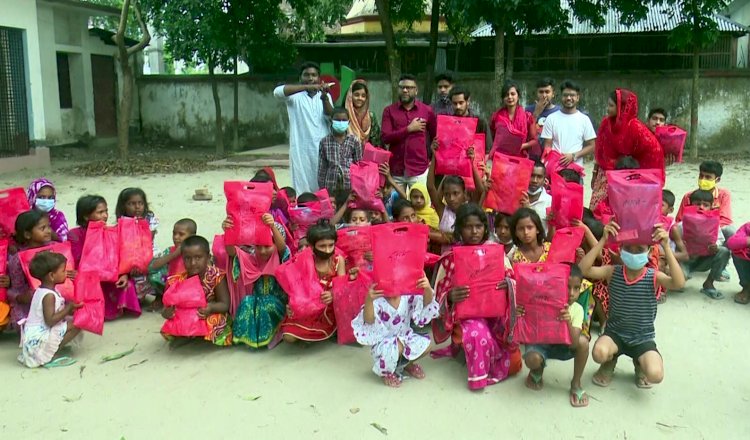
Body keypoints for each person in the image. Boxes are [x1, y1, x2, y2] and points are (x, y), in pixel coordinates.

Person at [579, 220, 685, 389]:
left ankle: (639, 363)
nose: (634, 253)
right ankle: (609, 362)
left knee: (656, 375)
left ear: (649, 252)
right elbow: (583, 270)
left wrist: (666, 246)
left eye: (639, 250)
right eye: (629, 248)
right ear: (620, 250)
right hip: (615, 334)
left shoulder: (653, 276)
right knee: (599, 354)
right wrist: (603, 241)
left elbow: (679, 283)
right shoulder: (612, 271)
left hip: (643, 338)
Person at [433, 203, 522, 390]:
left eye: (479, 226)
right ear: (459, 229)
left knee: (514, 364)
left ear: (485, 228)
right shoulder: (451, 258)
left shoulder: (497, 253)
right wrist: (450, 297)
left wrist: (507, 285)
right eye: (468, 226)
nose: (474, 231)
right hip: (467, 317)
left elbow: (514, 283)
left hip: (496, 314)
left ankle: (485, 354)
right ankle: (479, 377)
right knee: (477, 334)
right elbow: (438, 295)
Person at [521, 264, 591, 408]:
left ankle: (576, 383)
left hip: (564, 347)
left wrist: (568, 322)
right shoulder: (539, 301)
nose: (571, 293)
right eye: (566, 286)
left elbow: (573, 343)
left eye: (576, 288)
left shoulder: (576, 309)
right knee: (532, 359)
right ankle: (537, 370)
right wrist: (519, 313)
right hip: (540, 345)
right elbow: (524, 331)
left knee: (583, 343)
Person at [351, 275, 439, 387]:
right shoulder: (378, 301)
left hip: (405, 338)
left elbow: (426, 303)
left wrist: (427, 288)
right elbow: (369, 321)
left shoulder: (407, 296)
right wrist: (369, 299)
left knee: (426, 345)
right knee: (396, 348)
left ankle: (406, 364)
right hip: (384, 344)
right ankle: (386, 373)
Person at [68, 195, 141, 321]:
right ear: (86, 216)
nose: (105, 215)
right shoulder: (75, 234)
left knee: (126, 284)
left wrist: (123, 274)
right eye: (100, 212)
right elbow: (76, 259)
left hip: (110, 275)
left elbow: (121, 256)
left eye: (106, 211)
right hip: (87, 276)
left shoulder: (111, 231)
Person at [591, 89, 664, 209]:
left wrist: (635, 170)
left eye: (611, 105)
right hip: (604, 175)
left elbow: (654, 150)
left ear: (621, 107)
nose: (607, 109)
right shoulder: (606, 123)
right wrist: (595, 173)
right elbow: (600, 151)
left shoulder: (635, 127)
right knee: (598, 211)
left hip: (626, 178)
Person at [273, 61, 334, 193]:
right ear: (300, 77)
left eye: (313, 75)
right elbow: (277, 92)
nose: (310, 78)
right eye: (306, 75)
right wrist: (305, 87)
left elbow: (331, 116)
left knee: (322, 187)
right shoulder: (294, 96)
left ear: (319, 78)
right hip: (301, 150)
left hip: (321, 148)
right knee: (302, 188)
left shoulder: (325, 95)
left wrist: (324, 98)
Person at [280, 221, 345, 343]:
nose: (327, 250)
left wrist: (332, 293)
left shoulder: (338, 260)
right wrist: (291, 305)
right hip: (306, 306)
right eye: (322, 246)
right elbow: (295, 287)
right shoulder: (302, 260)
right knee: (288, 337)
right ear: (311, 246)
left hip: (327, 308)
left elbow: (342, 286)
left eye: (331, 245)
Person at [162, 235, 233, 346]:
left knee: (215, 321)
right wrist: (167, 313)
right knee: (171, 324)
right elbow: (167, 307)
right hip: (186, 317)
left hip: (208, 314)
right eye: (188, 258)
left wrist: (210, 308)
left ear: (208, 257)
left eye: (198, 257)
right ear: (182, 259)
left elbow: (225, 304)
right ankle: (188, 335)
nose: (193, 263)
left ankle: (196, 335)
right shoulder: (177, 280)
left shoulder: (216, 276)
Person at [17, 251, 82, 368]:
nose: (66, 273)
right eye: (63, 271)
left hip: (37, 333)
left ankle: (51, 348)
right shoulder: (49, 296)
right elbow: (50, 320)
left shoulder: (42, 290)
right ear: (51, 276)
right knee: (77, 324)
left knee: (72, 319)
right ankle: (51, 352)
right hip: (39, 338)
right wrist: (69, 308)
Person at [381, 74, 437, 189]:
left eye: (409, 88)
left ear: (416, 91)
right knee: (396, 206)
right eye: (402, 87)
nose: (405, 90)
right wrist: (408, 129)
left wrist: (431, 159)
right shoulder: (389, 111)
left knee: (419, 205)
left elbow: (435, 136)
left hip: (419, 170)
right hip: (396, 170)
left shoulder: (427, 111)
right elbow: (385, 138)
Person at [676, 190, 731, 300]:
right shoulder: (680, 226)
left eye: (705, 205)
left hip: (704, 261)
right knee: (678, 285)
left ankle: (709, 283)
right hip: (684, 262)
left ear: (711, 207)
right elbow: (672, 246)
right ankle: (683, 275)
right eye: (697, 204)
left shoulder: (714, 225)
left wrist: (715, 246)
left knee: (724, 251)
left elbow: (720, 240)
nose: (701, 207)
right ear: (690, 205)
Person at [7, 211, 54, 330]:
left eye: (49, 226)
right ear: (27, 234)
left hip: (55, 299)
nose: (48, 231)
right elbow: (14, 290)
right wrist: (22, 297)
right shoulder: (18, 259)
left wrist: (72, 274)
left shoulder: (56, 249)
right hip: (29, 305)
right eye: (42, 228)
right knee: (28, 325)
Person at [115, 187, 159, 302]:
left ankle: (158, 297)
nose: (137, 207)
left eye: (140, 203)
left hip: (149, 253)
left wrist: (139, 261)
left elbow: (147, 239)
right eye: (132, 204)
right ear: (123, 206)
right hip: (129, 257)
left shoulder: (149, 218)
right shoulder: (121, 222)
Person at [540, 80, 596, 168]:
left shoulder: (584, 119)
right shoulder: (551, 118)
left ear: (578, 97)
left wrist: (573, 156)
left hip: (575, 170)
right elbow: (548, 145)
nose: (569, 98)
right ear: (561, 97)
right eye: (565, 95)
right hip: (554, 168)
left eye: (572, 95)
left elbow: (592, 145)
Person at [148, 218, 198, 310]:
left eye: (181, 234)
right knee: (154, 274)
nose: (176, 237)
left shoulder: (197, 251)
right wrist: (174, 254)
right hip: (171, 286)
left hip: (189, 288)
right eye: (174, 233)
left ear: (192, 237)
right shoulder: (170, 250)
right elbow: (152, 267)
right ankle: (160, 297)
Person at [317, 107, 363, 194]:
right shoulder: (324, 142)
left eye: (344, 120)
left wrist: (358, 187)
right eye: (337, 120)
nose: (341, 122)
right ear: (331, 121)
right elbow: (322, 168)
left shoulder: (354, 141)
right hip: (330, 186)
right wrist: (322, 189)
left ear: (348, 122)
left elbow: (359, 165)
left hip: (349, 186)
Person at [490, 80, 539, 159]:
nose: (509, 97)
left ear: (518, 96)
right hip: (500, 158)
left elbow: (534, 141)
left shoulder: (527, 117)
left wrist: (521, 146)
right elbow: (492, 138)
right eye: (506, 95)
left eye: (513, 94)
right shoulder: (496, 117)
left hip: (520, 158)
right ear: (503, 98)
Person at [450, 86, 492, 155]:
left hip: (475, 163)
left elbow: (488, 150)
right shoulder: (448, 123)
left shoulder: (480, 122)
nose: (458, 106)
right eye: (455, 103)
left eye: (461, 103)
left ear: (468, 101)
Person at [26, 178, 69, 242]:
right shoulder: (25, 216)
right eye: (41, 197)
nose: (46, 201)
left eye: (50, 197)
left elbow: (64, 240)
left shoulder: (58, 216)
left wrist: (47, 229)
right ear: (33, 197)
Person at [345, 80, 382, 146]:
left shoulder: (371, 116)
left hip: (367, 154)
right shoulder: (344, 115)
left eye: (363, 96)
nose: (360, 98)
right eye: (356, 95)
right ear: (350, 96)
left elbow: (377, 141)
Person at [522, 161, 552, 235]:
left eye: (539, 177)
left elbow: (550, 236)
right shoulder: (516, 196)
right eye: (532, 175)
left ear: (544, 179)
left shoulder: (550, 201)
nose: (535, 180)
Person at [727, 222, 750, 304]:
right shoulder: (747, 227)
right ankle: (747, 288)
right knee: (737, 253)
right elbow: (731, 243)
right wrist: (748, 241)